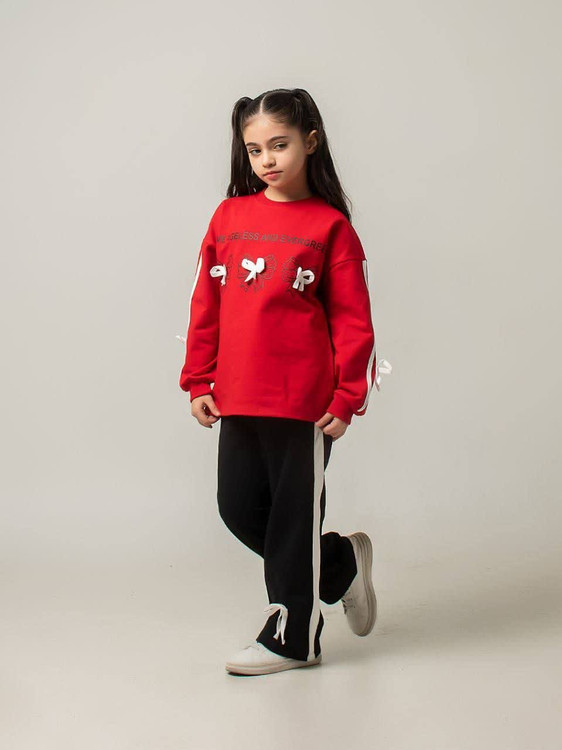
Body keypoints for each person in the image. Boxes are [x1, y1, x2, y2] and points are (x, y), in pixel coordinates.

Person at [177, 87, 391, 676]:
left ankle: (295, 639)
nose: (267, 160)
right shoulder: (228, 218)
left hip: (303, 403)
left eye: (279, 145)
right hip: (237, 394)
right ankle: (340, 564)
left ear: (310, 141)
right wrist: (198, 379)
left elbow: (354, 322)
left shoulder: (331, 228)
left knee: (294, 519)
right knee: (238, 508)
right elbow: (205, 303)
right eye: (255, 150)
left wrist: (348, 397)